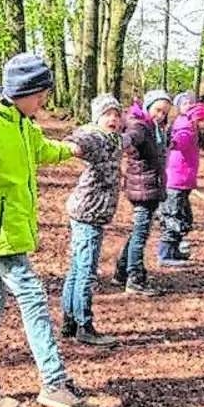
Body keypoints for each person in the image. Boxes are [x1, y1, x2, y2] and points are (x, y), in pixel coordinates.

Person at [0, 52, 102, 407]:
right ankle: (53, 382)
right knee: (33, 297)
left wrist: (73, 149)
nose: (44, 101)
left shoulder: (22, 122)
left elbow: (40, 150)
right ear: (21, 91)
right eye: (40, 94)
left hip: (9, 231)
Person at [60, 94, 126, 346]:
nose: (112, 119)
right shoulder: (96, 136)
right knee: (86, 271)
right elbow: (78, 139)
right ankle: (84, 325)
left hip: (95, 214)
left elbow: (131, 134)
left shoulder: (115, 139)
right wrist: (71, 147)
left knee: (77, 267)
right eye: (107, 114)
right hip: (87, 212)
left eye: (116, 114)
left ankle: (69, 321)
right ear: (97, 117)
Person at [112, 90, 175, 295]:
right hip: (142, 189)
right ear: (148, 108)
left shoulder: (155, 127)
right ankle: (135, 278)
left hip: (151, 186)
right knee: (140, 235)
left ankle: (121, 271)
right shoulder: (140, 125)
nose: (160, 115)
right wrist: (120, 143)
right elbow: (130, 138)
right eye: (157, 110)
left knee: (139, 232)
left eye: (164, 112)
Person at [160, 93, 204, 265]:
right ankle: (165, 254)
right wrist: (171, 143)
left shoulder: (193, 131)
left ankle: (174, 250)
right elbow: (178, 140)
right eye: (201, 120)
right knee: (173, 218)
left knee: (184, 219)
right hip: (175, 182)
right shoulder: (186, 130)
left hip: (184, 183)